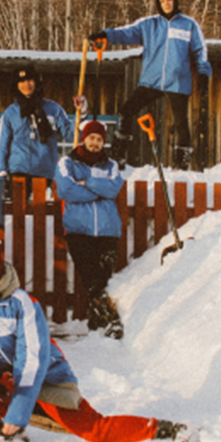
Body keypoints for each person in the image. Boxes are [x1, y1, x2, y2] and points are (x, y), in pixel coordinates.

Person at [0, 228, 196, 442]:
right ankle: (11, 424)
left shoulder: (22, 303)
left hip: (46, 379)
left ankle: (164, 430)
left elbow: (33, 359)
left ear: (0, 264)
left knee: (94, 431)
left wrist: (18, 415)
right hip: (4, 380)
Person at [88, 0, 211, 170]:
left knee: (181, 123)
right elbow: (126, 33)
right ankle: (119, 155)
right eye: (162, 1)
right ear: (158, 3)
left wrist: (203, 73)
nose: (166, 4)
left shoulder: (189, 25)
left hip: (177, 81)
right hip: (151, 80)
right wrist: (106, 34)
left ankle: (181, 164)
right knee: (126, 111)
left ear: (175, 0)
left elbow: (200, 50)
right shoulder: (149, 24)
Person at [55, 120, 125, 339]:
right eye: (91, 138)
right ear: (83, 138)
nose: (95, 143)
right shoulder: (67, 162)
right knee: (91, 280)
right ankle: (111, 321)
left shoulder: (110, 165)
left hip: (107, 230)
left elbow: (113, 188)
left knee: (103, 280)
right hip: (79, 230)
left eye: (99, 139)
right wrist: (98, 190)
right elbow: (66, 190)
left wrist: (86, 182)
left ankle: (96, 327)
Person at [0, 64, 76, 196]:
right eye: (21, 81)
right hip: (18, 172)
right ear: (16, 85)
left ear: (36, 82)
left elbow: (70, 134)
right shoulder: (10, 113)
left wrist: (81, 115)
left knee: (43, 214)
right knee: (18, 213)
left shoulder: (53, 109)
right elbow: (3, 145)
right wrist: (1, 170)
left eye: (30, 80)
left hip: (45, 172)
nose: (26, 84)